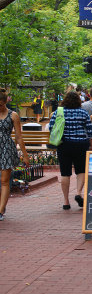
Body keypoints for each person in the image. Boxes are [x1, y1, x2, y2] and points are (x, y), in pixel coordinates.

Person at [49, 91, 92, 210]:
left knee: (65, 173)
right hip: (80, 144)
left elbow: (51, 128)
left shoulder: (58, 112)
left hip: (64, 145)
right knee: (81, 171)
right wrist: (91, 145)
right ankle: (78, 193)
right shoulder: (83, 112)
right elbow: (90, 132)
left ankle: (66, 201)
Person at [0, 88, 29, 221]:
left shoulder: (13, 115)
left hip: (6, 148)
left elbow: (18, 137)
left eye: (1, 104)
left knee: (5, 181)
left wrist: (25, 155)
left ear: (6, 102)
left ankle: (1, 210)